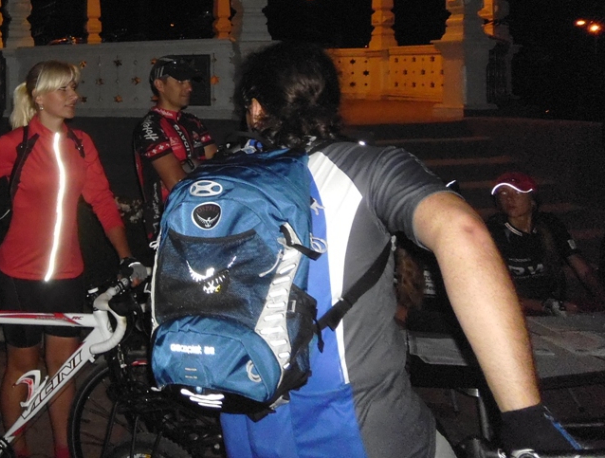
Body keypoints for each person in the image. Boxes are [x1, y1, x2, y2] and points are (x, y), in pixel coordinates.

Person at [220, 42, 578, 458]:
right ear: (332, 103)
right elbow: (463, 231)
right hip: (359, 429)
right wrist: (524, 419)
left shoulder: (213, 180)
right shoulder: (368, 169)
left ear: (257, 109)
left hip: (246, 425)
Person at [0, 60, 141, 458]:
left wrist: (127, 256)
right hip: (19, 275)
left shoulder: (81, 143)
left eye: (73, 87)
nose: (74, 96)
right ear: (39, 98)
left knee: (63, 371)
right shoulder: (16, 144)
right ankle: (17, 448)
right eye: (64, 89)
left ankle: (62, 450)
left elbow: (103, 201)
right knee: (23, 366)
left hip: (67, 275)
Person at [487, 170, 605, 315]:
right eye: (503, 193)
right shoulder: (493, 231)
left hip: (555, 305)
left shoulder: (550, 224)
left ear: (532, 198)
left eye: (517, 192)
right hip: (513, 309)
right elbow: (490, 287)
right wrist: (545, 306)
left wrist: (600, 294)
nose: (509, 199)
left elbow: (582, 268)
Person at [133, 55, 217, 240]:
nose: (189, 87)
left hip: (204, 218)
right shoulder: (150, 126)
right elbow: (177, 183)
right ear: (160, 85)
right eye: (180, 81)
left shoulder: (193, 121)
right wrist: (201, 167)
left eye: (189, 81)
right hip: (168, 225)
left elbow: (219, 164)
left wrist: (192, 166)